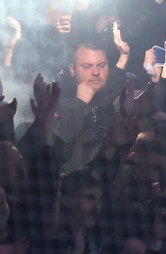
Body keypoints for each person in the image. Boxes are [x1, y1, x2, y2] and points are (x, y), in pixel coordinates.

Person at [55, 38, 128, 172]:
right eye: (87, 66)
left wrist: (124, 56)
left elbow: (108, 91)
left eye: (101, 65)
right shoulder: (57, 101)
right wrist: (80, 103)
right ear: (72, 69)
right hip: (72, 186)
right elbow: (56, 143)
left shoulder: (116, 99)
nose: (95, 72)